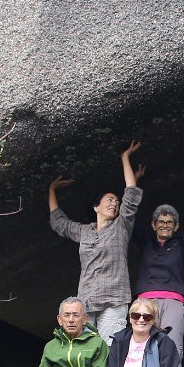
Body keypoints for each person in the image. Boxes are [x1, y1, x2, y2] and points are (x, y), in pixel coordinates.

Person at [47, 141, 145, 340]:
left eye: (117, 202)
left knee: (108, 353)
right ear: (96, 207)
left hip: (114, 300)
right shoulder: (84, 231)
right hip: (87, 302)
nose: (114, 204)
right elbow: (59, 223)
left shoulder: (121, 226)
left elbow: (131, 194)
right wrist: (51, 190)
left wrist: (125, 158)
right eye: (109, 200)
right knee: (85, 353)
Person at [132, 201, 184, 367]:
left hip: (173, 300)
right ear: (153, 225)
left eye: (169, 222)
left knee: (173, 348)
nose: (165, 225)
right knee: (142, 347)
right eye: (161, 222)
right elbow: (131, 216)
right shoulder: (146, 242)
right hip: (145, 302)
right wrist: (134, 182)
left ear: (176, 226)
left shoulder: (181, 243)